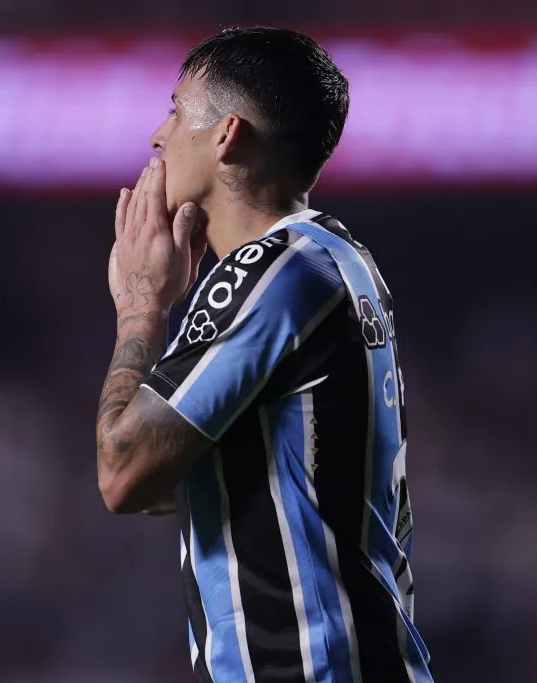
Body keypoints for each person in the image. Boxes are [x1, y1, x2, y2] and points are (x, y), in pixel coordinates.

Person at [94, 26, 433, 683]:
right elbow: (173, 481)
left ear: (226, 134)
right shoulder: (333, 259)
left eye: (174, 108)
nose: (157, 136)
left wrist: (140, 304)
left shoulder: (272, 271)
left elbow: (123, 470)